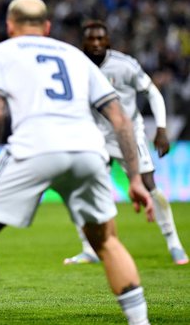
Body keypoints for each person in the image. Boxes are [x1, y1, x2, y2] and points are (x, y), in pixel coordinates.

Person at [0, 0, 156, 325]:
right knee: (106, 240)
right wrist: (135, 178)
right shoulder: (75, 55)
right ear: (46, 27)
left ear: (10, 26)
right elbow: (120, 119)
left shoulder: (0, 53)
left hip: (35, 146)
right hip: (88, 149)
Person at [64, 20, 188, 266]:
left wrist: (161, 129)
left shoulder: (125, 65)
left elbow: (152, 92)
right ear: (83, 42)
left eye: (101, 38)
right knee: (82, 188)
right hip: (94, 135)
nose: (96, 43)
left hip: (129, 133)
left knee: (149, 185)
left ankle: (174, 243)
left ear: (108, 40)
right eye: (91, 39)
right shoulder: (75, 65)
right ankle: (89, 249)